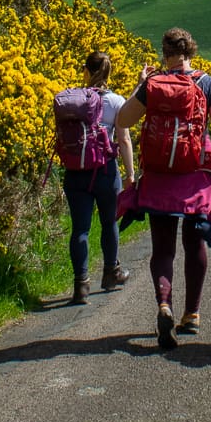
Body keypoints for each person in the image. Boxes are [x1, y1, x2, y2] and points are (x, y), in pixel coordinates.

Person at [115, 27, 211, 349]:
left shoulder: (153, 85)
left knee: (162, 249)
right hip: (195, 174)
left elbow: (123, 119)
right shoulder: (207, 82)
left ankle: (163, 304)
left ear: (165, 51)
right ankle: (192, 314)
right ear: (190, 51)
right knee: (194, 244)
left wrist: (141, 84)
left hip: (160, 175)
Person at [62, 51, 134, 305]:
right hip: (105, 171)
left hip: (75, 172)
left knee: (80, 229)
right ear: (109, 72)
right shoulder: (115, 101)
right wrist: (130, 174)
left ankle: (80, 285)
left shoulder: (70, 100)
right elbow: (123, 140)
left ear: (85, 70)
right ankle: (111, 272)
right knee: (108, 223)